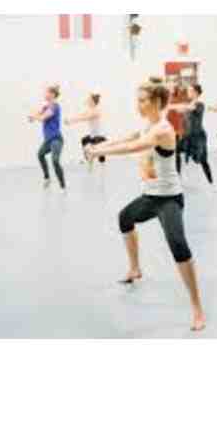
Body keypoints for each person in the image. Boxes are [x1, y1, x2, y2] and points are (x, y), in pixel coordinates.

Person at [85, 78, 206, 332]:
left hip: (169, 199)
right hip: (150, 197)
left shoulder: (162, 130)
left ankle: (197, 307)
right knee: (124, 218)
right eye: (137, 100)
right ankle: (135, 268)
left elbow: (132, 146)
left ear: (157, 102)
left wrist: (97, 152)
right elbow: (125, 138)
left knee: (178, 246)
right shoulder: (146, 126)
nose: (137, 105)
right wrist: (100, 144)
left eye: (142, 101)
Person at [167, 84, 214, 187]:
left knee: (202, 161)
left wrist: (170, 106)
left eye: (190, 91)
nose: (188, 93)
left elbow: (188, 107)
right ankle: (177, 179)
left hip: (198, 137)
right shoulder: (189, 104)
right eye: (188, 91)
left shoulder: (199, 104)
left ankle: (211, 182)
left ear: (195, 92)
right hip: (187, 137)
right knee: (176, 152)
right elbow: (181, 109)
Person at [29, 84, 66, 191]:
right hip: (48, 140)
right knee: (40, 154)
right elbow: (38, 114)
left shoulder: (55, 106)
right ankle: (47, 177)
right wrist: (33, 116)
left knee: (55, 161)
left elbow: (43, 117)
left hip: (56, 139)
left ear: (52, 94)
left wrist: (35, 117)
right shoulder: (46, 106)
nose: (45, 94)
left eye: (47, 92)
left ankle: (62, 185)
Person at [64, 92, 106, 169]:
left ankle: (101, 164)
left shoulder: (96, 111)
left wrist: (71, 121)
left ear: (92, 102)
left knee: (98, 153)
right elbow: (81, 115)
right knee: (84, 141)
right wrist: (70, 119)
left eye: (89, 100)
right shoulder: (90, 110)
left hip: (98, 137)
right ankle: (89, 163)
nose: (87, 101)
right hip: (92, 136)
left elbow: (84, 118)